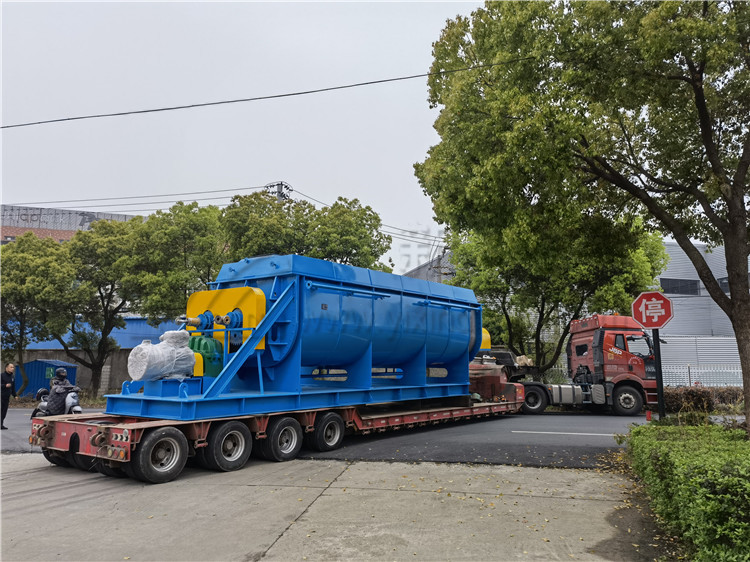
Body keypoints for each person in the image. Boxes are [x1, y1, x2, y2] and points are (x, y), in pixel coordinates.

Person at [2, 363, 18, 429]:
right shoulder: (2, 375)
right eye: (11, 367)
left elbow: (13, 387)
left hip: (7, 397)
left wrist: (15, 395)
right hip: (1, 396)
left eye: (13, 367)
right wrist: (5, 385)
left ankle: (1, 424)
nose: (12, 369)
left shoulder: (12, 377)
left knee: (4, 412)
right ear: (6, 368)